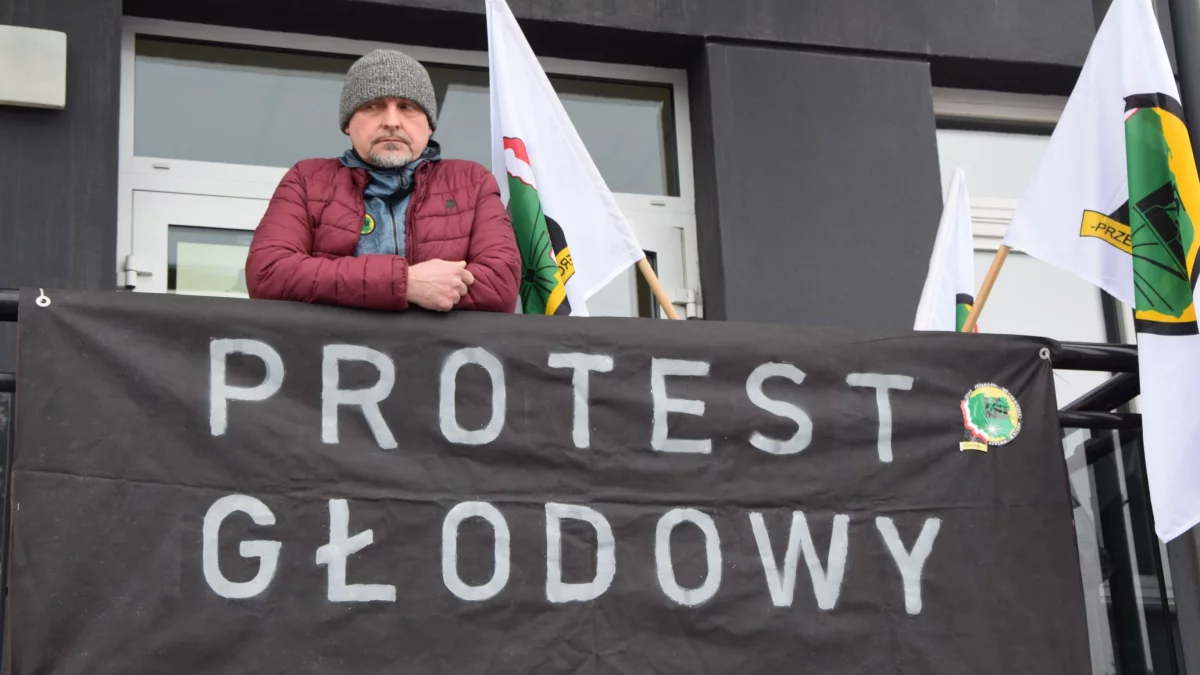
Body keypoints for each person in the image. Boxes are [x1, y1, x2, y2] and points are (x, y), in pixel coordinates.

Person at [245, 49, 520, 312]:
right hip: (332, 347)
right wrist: (405, 284)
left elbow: (500, 286)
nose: (391, 121)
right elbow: (268, 273)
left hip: (440, 348)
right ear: (347, 123)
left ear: (429, 124)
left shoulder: (472, 182)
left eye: (407, 107)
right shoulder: (307, 180)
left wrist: (352, 288)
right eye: (372, 106)